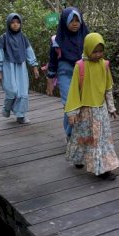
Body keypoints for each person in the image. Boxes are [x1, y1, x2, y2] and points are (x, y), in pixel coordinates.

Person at [63, 32, 119, 180]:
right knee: (83, 137)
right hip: (84, 111)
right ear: (87, 49)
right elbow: (74, 90)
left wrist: (111, 107)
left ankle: (102, 169)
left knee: (100, 139)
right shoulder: (80, 66)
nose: (98, 54)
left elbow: (108, 89)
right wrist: (72, 113)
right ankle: (78, 158)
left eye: (101, 51)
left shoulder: (104, 65)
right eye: (95, 51)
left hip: (100, 111)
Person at [46, 7, 89, 138]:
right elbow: (52, 61)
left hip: (83, 76)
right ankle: (70, 134)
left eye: (77, 20)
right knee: (70, 105)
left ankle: (73, 132)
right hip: (65, 76)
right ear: (65, 22)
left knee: (81, 105)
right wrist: (50, 80)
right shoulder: (57, 40)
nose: (75, 23)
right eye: (72, 20)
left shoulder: (86, 37)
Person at [0, 13, 40, 124]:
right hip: (8, 65)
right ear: (9, 23)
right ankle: (7, 108)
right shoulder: (3, 37)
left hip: (21, 66)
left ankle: (20, 115)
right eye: (13, 22)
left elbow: (29, 51)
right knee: (12, 91)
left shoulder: (23, 37)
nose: (15, 25)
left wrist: (34, 66)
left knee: (22, 92)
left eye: (17, 22)